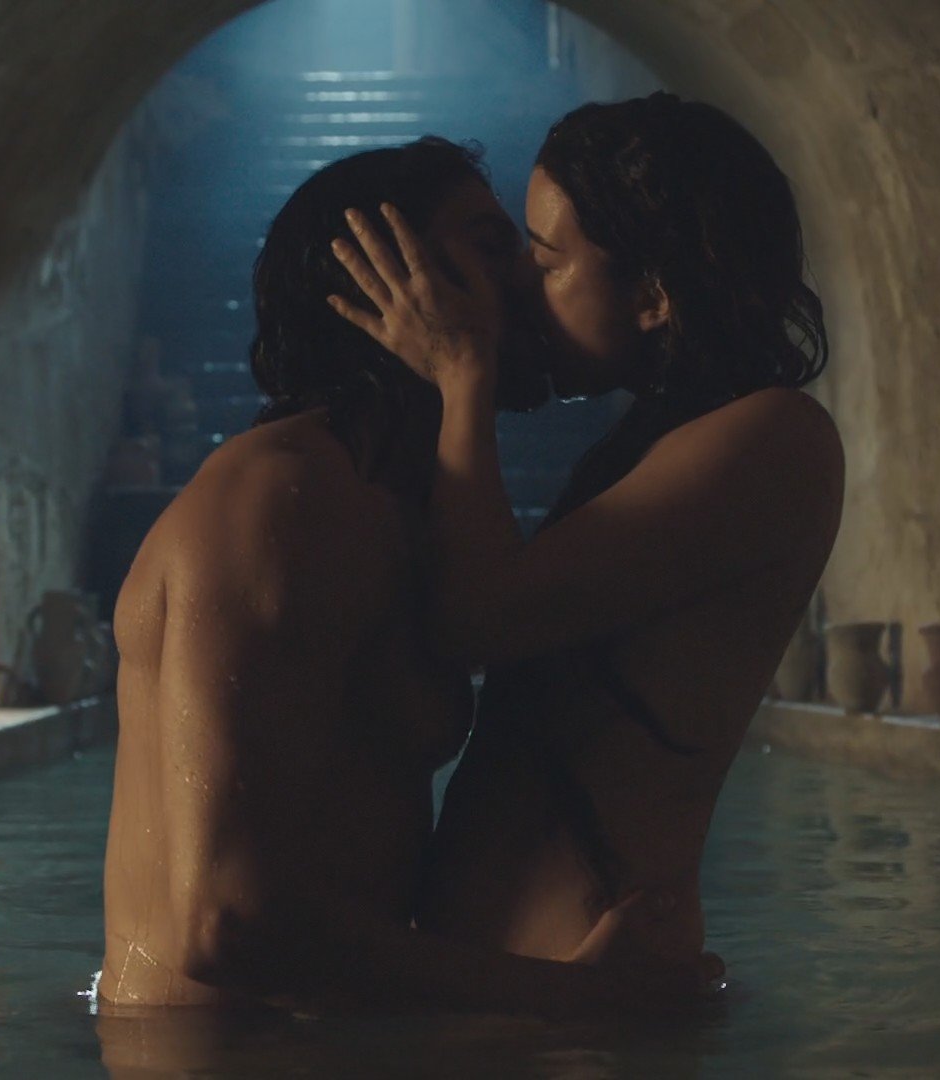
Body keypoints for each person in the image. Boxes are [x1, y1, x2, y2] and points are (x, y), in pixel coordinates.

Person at [98, 136, 718, 1019]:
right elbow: (227, 923)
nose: (529, 277)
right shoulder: (279, 496)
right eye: (492, 246)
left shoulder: (401, 510)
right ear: (382, 278)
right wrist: (576, 999)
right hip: (210, 1058)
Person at [327, 94, 844, 968]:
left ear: (652, 294)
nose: (521, 286)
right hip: (527, 992)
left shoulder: (771, 438)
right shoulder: (662, 444)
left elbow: (480, 619)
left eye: (547, 258)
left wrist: (462, 377)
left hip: (589, 989)